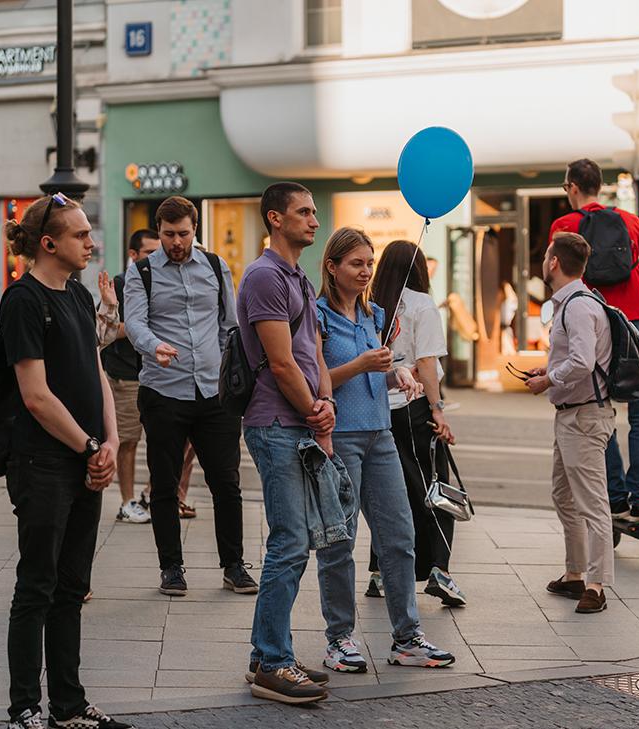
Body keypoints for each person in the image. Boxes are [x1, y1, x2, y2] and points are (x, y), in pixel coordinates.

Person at [0, 194, 130, 729]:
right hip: (44, 463)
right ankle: (25, 707)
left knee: (73, 587)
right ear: (49, 243)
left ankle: (69, 706)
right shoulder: (23, 300)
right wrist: (87, 446)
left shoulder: (77, 295)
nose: (90, 243)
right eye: (80, 235)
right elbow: (35, 394)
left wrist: (112, 442)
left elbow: (96, 373)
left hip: (88, 459)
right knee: (38, 585)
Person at [314, 227, 455, 675]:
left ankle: (407, 638)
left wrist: (399, 376)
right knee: (341, 543)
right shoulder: (317, 316)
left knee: (400, 538)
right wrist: (362, 365)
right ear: (332, 268)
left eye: (369, 263)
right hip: (341, 439)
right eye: (356, 263)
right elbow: (315, 382)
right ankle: (339, 639)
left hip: (381, 435)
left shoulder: (374, 314)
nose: (365, 271)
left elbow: (382, 367)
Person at [123, 196, 255, 598]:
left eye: (183, 234)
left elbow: (228, 325)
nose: (175, 242)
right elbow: (134, 322)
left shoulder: (216, 266)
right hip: (164, 390)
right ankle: (171, 568)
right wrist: (154, 345)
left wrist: (223, 369)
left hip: (213, 394)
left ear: (194, 229)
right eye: (168, 235)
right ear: (159, 232)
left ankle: (233, 565)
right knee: (164, 484)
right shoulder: (141, 272)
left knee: (225, 482)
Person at [239, 182, 336, 704]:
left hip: (299, 420)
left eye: (315, 212)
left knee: (297, 542)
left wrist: (326, 405)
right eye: (303, 212)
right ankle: (272, 662)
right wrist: (311, 409)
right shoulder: (263, 275)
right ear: (275, 218)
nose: (314, 221)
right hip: (274, 421)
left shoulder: (298, 277)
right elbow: (279, 361)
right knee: (290, 541)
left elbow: (313, 352)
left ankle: (266, 652)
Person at [550, 158, 639, 521]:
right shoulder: (631, 221)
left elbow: (558, 276)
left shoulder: (564, 226)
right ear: (599, 185)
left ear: (572, 187)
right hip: (638, 323)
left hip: (598, 327)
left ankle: (615, 494)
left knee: (601, 410)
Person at [369, 239, 465, 607]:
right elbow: (426, 363)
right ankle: (439, 569)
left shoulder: (372, 302)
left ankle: (379, 571)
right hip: (414, 408)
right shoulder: (422, 304)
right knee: (434, 488)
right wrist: (437, 409)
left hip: (379, 409)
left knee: (389, 493)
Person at [524, 232, 616, 615]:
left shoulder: (577, 306)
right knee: (564, 496)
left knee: (592, 503)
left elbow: (582, 363)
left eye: (546, 256)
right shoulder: (574, 302)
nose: (545, 262)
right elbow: (577, 358)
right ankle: (575, 573)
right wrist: (550, 368)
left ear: (554, 263)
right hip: (572, 414)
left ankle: (596, 585)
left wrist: (547, 380)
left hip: (584, 416)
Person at [98, 228, 159, 524]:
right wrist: (141, 328)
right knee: (128, 441)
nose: (155, 257)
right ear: (133, 255)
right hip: (126, 374)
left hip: (157, 372)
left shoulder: (158, 280)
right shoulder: (121, 284)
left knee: (174, 439)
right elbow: (109, 329)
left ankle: (150, 493)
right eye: (149, 252)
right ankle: (126, 502)